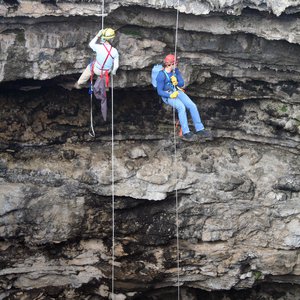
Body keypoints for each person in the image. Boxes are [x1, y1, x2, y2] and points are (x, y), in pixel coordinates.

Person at [156, 54, 211, 141]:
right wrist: (170, 95)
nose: (177, 64)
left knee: (192, 106)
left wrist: (176, 82)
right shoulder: (161, 75)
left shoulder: (175, 71)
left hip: (177, 91)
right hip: (167, 95)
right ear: (169, 64)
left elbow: (181, 83)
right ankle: (186, 132)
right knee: (181, 107)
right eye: (175, 63)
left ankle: (200, 129)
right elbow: (159, 91)